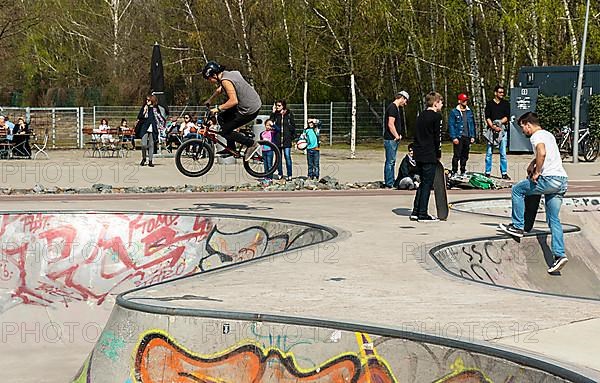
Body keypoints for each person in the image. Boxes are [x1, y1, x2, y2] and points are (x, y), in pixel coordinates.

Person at [498, 112, 569, 273]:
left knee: (517, 190)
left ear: (528, 124)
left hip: (549, 179)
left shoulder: (535, 136)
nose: (523, 131)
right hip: (562, 181)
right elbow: (545, 154)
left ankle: (518, 226)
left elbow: (542, 153)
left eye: (523, 127)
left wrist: (536, 172)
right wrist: (532, 164)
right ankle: (559, 255)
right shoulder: (548, 134)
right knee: (553, 220)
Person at [202, 60, 261, 161]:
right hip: (250, 102)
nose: (209, 81)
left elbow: (233, 101)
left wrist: (217, 108)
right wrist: (210, 99)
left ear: (214, 75)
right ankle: (231, 148)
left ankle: (251, 144)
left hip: (249, 109)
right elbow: (220, 89)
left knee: (225, 132)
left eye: (209, 79)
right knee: (221, 117)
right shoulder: (229, 74)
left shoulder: (225, 81)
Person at [411, 92, 444, 222]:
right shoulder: (436, 117)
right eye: (441, 103)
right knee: (427, 184)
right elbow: (437, 137)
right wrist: (438, 153)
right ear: (435, 103)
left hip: (418, 153)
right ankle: (423, 214)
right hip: (429, 153)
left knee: (422, 183)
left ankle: (416, 210)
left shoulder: (420, 115)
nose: (441, 105)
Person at [383, 91, 409, 188]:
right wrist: (396, 135)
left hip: (393, 138)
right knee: (390, 161)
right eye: (405, 101)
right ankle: (389, 182)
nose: (405, 104)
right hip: (391, 139)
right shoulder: (393, 108)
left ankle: (391, 180)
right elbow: (390, 124)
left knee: (392, 161)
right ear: (401, 98)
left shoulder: (395, 108)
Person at [484, 85, 511, 179]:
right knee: (489, 153)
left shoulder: (506, 104)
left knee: (503, 153)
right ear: (495, 93)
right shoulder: (489, 104)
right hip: (491, 130)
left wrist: (499, 123)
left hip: (502, 130)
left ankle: (504, 173)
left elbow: (507, 117)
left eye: (503, 92)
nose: (501, 94)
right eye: (500, 92)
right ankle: (487, 172)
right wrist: (493, 126)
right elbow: (487, 117)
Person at [448, 93, 476, 176]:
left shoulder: (469, 111)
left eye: (466, 100)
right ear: (459, 101)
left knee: (465, 155)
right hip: (458, 136)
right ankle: (454, 171)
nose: (465, 102)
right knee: (457, 155)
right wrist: (453, 137)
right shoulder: (454, 112)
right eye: (464, 100)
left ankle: (463, 170)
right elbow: (451, 125)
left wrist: (472, 136)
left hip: (467, 136)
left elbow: (472, 125)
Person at [135, 94, 166, 167]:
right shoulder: (144, 107)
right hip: (145, 127)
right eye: (146, 100)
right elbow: (140, 117)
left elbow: (159, 118)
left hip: (153, 127)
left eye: (148, 100)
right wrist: (144, 111)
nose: (147, 101)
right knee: (143, 144)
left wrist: (161, 126)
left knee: (151, 144)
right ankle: (144, 158)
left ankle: (150, 160)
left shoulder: (155, 109)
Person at [270, 99, 296, 180]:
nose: (277, 107)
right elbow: (270, 122)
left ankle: (289, 174)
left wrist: (291, 136)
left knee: (287, 156)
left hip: (286, 140)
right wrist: (273, 112)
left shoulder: (289, 114)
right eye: (276, 105)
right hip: (277, 139)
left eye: (279, 105)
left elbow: (293, 125)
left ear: (283, 106)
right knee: (278, 158)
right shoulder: (276, 114)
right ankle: (280, 173)